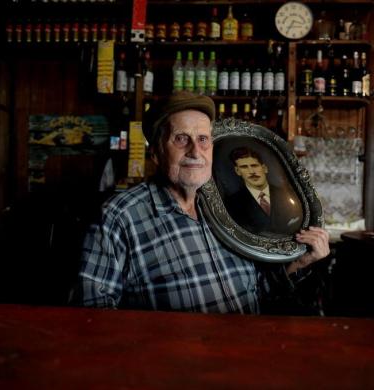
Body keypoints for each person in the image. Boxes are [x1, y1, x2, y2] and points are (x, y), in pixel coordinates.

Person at [73, 91, 329, 314]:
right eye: (181, 139)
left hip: (245, 357)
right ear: (156, 153)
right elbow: (94, 313)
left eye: (203, 139)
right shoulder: (119, 217)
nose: (195, 151)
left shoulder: (227, 207)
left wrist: (300, 262)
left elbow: (256, 290)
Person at [225, 147, 303, 235]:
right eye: (244, 167)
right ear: (238, 171)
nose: (251, 172)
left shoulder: (287, 195)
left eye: (254, 165)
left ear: (264, 168)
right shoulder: (232, 203)